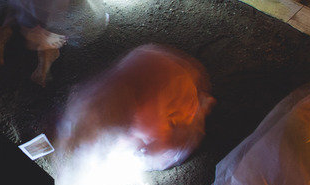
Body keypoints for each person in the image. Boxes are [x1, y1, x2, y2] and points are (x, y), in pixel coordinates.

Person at [57, 44, 216, 172]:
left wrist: (145, 150)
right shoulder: (100, 93)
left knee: (162, 151)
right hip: (166, 69)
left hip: (181, 97)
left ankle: (200, 108)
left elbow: (161, 144)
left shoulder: (148, 117)